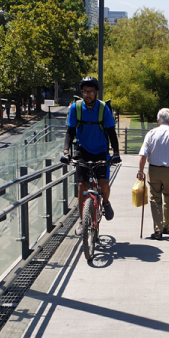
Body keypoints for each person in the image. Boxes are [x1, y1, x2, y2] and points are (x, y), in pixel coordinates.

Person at [64, 77, 121, 233]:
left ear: (96, 92)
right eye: (84, 91)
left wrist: (116, 153)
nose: (87, 94)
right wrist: (65, 152)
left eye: (90, 91)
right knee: (82, 186)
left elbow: (111, 133)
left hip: (101, 151)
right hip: (82, 150)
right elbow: (70, 132)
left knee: (103, 184)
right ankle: (83, 221)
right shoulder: (75, 108)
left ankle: (106, 202)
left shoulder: (103, 109)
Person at [136, 108, 169, 240]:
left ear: (157, 121)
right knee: (168, 197)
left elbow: (143, 155)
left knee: (155, 198)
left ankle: (158, 229)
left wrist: (140, 171)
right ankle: (166, 225)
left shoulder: (151, 133)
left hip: (154, 170)